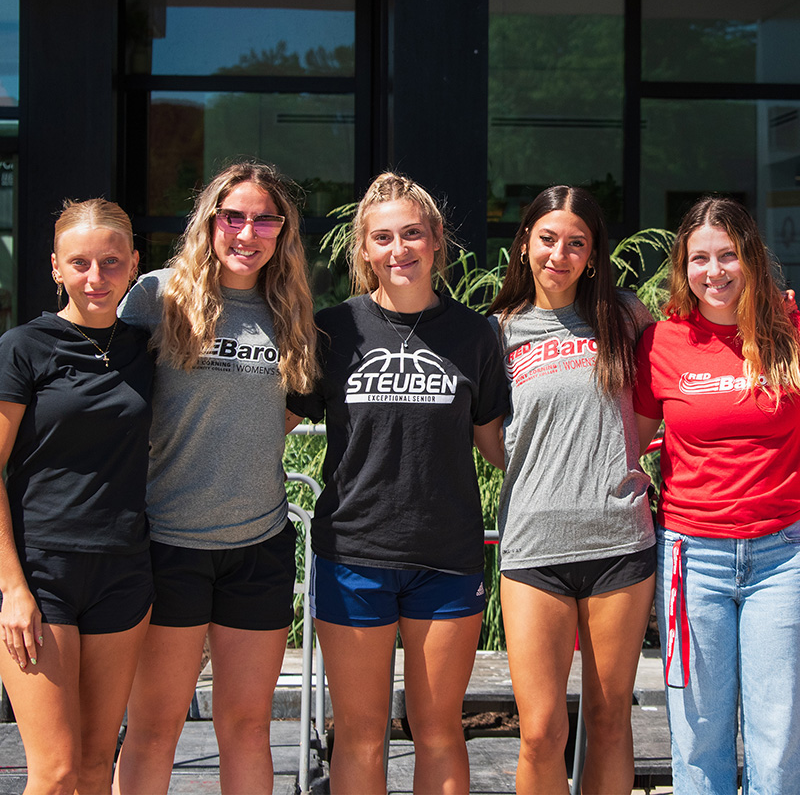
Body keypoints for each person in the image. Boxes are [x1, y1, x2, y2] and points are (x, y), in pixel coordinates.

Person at [286, 171, 508, 794]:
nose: (398, 249)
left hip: (448, 558)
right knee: (361, 735)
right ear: (363, 250)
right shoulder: (332, 331)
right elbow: (267, 428)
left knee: (438, 729)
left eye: (413, 233)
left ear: (437, 239)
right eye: (382, 237)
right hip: (353, 553)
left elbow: (497, 447)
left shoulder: (475, 335)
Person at [113, 161, 319, 795]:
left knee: (248, 725)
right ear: (210, 222)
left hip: (258, 546)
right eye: (235, 217)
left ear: (282, 231)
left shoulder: (289, 308)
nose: (248, 232)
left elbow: (285, 410)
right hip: (168, 542)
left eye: (264, 219)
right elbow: (113, 401)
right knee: (154, 727)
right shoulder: (157, 295)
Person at [487, 185, 656, 794]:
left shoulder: (627, 315)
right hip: (533, 548)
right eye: (548, 239)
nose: (560, 254)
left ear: (593, 252)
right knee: (540, 732)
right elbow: (492, 441)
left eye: (576, 243)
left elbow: (667, 389)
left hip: (619, 544)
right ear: (525, 243)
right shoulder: (499, 330)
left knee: (610, 722)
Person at [634, 196, 800, 794]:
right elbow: (632, 442)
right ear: (683, 265)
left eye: (728, 255)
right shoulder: (662, 342)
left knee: (777, 740)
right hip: (691, 559)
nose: (715, 271)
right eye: (700, 257)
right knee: (698, 737)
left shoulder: (790, 332)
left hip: (783, 558)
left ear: (750, 258)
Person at [0, 198, 152, 794]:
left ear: (135, 263)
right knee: (56, 771)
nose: (96, 278)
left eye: (111, 262)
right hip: (43, 573)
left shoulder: (147, 348)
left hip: (124, 571)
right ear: (56, 268)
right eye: (80, 263)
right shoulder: (23, 348)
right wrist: (12, 588)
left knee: (95, 766)